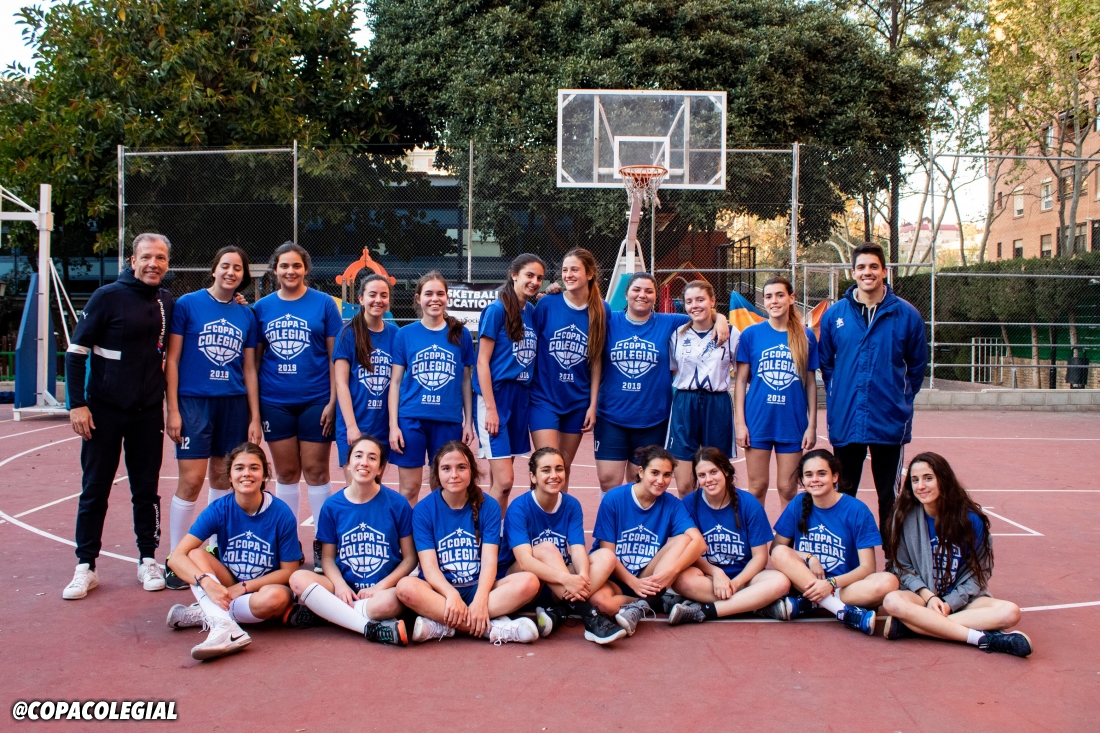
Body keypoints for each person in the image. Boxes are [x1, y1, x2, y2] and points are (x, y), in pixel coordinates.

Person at [63, 233, 175, 599]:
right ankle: (86, 566)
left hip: (147, 414)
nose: (153, 263)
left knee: (146, 490)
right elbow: (75, 353)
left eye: (160, 258)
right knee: (95, 488)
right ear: (132, 260)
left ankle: (147, 559)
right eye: (147, 257)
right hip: (104, 412)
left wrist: (237, 299)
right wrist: (77, 404)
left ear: (167, 263)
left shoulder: (166, 301)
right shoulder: (106, 297)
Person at [163, 246, 262, 590]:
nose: (231, 272)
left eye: (237, 268)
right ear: (214, 269)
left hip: (233, 403)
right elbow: (173, 359)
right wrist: (172, 408)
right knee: (191, 481)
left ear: (243, 276)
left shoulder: (246, 314)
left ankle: (215, 550)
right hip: (194, 402)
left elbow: (249, 368)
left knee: (223, 479)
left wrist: (254, 415)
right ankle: (176, 558)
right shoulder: (188, 305)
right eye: (225, 266)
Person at [817, 242, 927, 536]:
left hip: (889, 419)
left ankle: (893, 556)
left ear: (884, 271)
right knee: (844, 493)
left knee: (889, 495)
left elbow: (917, 366)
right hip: (847, 418)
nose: (868, 272)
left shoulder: (907, 315)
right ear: (853, 272)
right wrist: (841, 394)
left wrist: (900, 397)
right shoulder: (834, 315)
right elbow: (827, 364)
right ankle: (846, 553)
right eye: (862, 267)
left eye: (874, 267)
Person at [881, 453, 1032, 657]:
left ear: (943, 479)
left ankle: (914, 626)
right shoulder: (903, 516)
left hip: (962, 599)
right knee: (892, 601)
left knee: (1011, 612)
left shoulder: (970, 520)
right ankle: (981, 638)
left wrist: (950, 603)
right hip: (921, 597)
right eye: (915, 480)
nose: (921, 486)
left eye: (928, 478)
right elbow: (902, 567)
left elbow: (979, 573)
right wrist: (929, 597)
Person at [165, 443, 303, 661]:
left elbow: (289, 571)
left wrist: (245, 587)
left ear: (264, 475)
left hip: (264, 589)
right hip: (229, 583)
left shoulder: (281, 513)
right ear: (230, 476)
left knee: (275, 598)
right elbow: (176, 558)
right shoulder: (219, 509)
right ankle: (225, 626)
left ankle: (208, 612)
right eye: (239, 468)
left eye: (254, 468)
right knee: (195, 555)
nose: (246, 473)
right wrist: (207, 583)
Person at [253, 242, 343, 571]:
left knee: (317, 471)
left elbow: (336, 358)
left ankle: (323, 543)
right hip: (275, 401)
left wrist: (332, 401)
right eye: (284, 266)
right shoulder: (261, 308)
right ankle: (288, 543)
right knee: (287, 473)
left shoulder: (324, 304)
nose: (290, 271)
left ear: (306, 269)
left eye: (296, 265)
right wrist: (255, 410)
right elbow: (254, 361)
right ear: (275, 270)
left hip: (316, 400)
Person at [395, 442, 541, 644]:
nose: (454, 475)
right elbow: (429, 567)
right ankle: (494, 630)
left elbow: (489, 561)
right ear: (437, 473)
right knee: (405, 587)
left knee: (530, 582)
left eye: (461, 467)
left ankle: (444, 624)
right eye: (446, 468)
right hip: (440, 592)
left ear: (472, 470)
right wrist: (451, 594)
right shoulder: (423, 510)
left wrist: (481, 598)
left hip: (480, 587)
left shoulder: (488, 506)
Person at [595, 272, 729, 493]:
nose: (642, 295)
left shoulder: (670, 322)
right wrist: (554, 292)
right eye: (636, 290)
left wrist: (720, 318)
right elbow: (582, 303)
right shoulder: (609, 319)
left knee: (641, 480)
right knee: (608, 480)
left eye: (649, 291)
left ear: (656, 296)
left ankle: (643, 517)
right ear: (626, 294)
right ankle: (612, 516)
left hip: (653, 418)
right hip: (611, 415)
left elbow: (699, 313)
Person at [287, 435, 413, 646]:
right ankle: (369, 627)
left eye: (372, 458)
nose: (364, 462)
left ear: (380, 468)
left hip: (381, 591)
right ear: (347, 463)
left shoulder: (397, 504)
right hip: (344, 586)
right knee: (298, 579)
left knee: (388, 604)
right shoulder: (332, 506)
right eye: (358, 456)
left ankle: (328, 612)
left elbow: (410, 559)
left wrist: (380, 587)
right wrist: (340, 586)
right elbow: (327, 559)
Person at [503, 447, 627, 644]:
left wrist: (583, 577)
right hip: (525, 580)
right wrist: (567, 579)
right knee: (546, 548)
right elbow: (525, 561)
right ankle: (591, 617)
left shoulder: (571, 504)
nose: (554, 475)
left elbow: (577, 549)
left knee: (606, 556)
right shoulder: (519, 508)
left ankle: (559, 610)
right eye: (546, 470)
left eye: (559, 469)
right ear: (533, 476)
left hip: (559, 587)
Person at [770, 449, 899, 635]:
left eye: (822, 473)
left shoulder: (857, 510)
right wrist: (809, 557)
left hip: (844, 585)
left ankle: (811, 602)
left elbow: (867, 567)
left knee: (889, 582)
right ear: (802, 480)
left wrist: (830, 583)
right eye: (809, 475)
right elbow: (776, 548)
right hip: (806, 580)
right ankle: (843, 611)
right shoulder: (798, 503)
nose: (815, 479)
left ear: (835, 476)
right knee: (779, 553)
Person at [588, 446, 706, 636]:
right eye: (655, 473)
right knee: (601, 604)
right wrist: (633, 583)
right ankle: (652, 602)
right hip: (613, 576)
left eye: (667, 475)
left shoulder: (672, 504)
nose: (661, 480)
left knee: (684, 539)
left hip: (647, 575)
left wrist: (671, 572)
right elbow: (607, 553)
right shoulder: (614, 499)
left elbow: (699, 542)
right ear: (641, 471)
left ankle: (644, 602)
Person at [665, 447, 792, 624]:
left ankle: (705, 610)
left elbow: (760, 557)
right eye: (702, 475)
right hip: (708, 577)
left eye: (713, 472)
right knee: (681, 580)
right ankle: (755, 603)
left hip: (746, 577)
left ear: (725, 470)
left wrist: (736, 583)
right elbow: (687, 551)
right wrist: (716, 573)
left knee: (781, 582)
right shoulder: (689, 504)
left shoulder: (749, 504)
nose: (708, 479)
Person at [388, 272, 476, 506]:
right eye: (428, 294)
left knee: (444, 487)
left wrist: (468, 422)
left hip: (447, 420)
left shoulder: (461, 334)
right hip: (411, 419)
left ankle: (439, 528)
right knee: (409, 488)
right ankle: (408, 531)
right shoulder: (405, 334)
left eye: (440, 293)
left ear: (447, 297)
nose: (434, 299)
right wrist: (393, 425)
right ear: (418, 298)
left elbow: (466, 381)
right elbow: (395, 382)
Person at [735, 276, 818, 512]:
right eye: (769, 296)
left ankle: (785, 535)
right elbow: (740, 382)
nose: (774, 301)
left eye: (780, 295)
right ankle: (757, 536)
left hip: (791, 422)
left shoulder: (806, 336)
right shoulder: (751, 334)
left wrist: (812, 425)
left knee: (788, 489)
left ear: (791, 298)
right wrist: (740, 424)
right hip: (758, 421)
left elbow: (811, 384)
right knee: (757, 487)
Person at [529, 248, 607, 485]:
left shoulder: (602, 309)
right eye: (564, 270)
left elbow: (596, 361)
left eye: (574, 269)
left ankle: (560, 511)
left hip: (577, 402)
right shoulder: (547, 304)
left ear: (589, 273)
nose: (568, 275)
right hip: (544, 398)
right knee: (547, 465)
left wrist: (592, 404)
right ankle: (538, 509)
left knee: (563, 468)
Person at [475, 254, 545, 512]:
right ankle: (486, 531)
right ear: (514, 275)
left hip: (520, 398)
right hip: (496, 397)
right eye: (529, 275)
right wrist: (491, 408)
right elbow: (482, 362)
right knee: (505, 481)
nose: (534, 281)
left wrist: (553, 293)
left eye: (539, 277)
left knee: (499, 482)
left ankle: (497, 530)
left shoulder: (531, 312)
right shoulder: (496, 310)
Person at [666, 280, 739, 495]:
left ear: (712, 301)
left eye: (700, 300)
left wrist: (721, 319)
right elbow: (673, 369)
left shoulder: (731, 333)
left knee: (717, 479)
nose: (694, 305)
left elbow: (743, 373)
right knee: (684, 485)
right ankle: (688, 517)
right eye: (689, 301)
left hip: (717, 404)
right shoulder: (677, 335)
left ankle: (718, 515)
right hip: (684, 404)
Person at [334, 274, 397, 468]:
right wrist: (351, 427)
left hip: (382, 425)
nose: (378, 300)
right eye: (372, 294)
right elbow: (341, 383)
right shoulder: (347, 333)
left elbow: (397, 382)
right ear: (361, 298)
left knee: (375, 482)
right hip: (355, 422)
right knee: (355, 483)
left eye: (383, 295)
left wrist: (393, 425)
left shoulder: (395, 334)